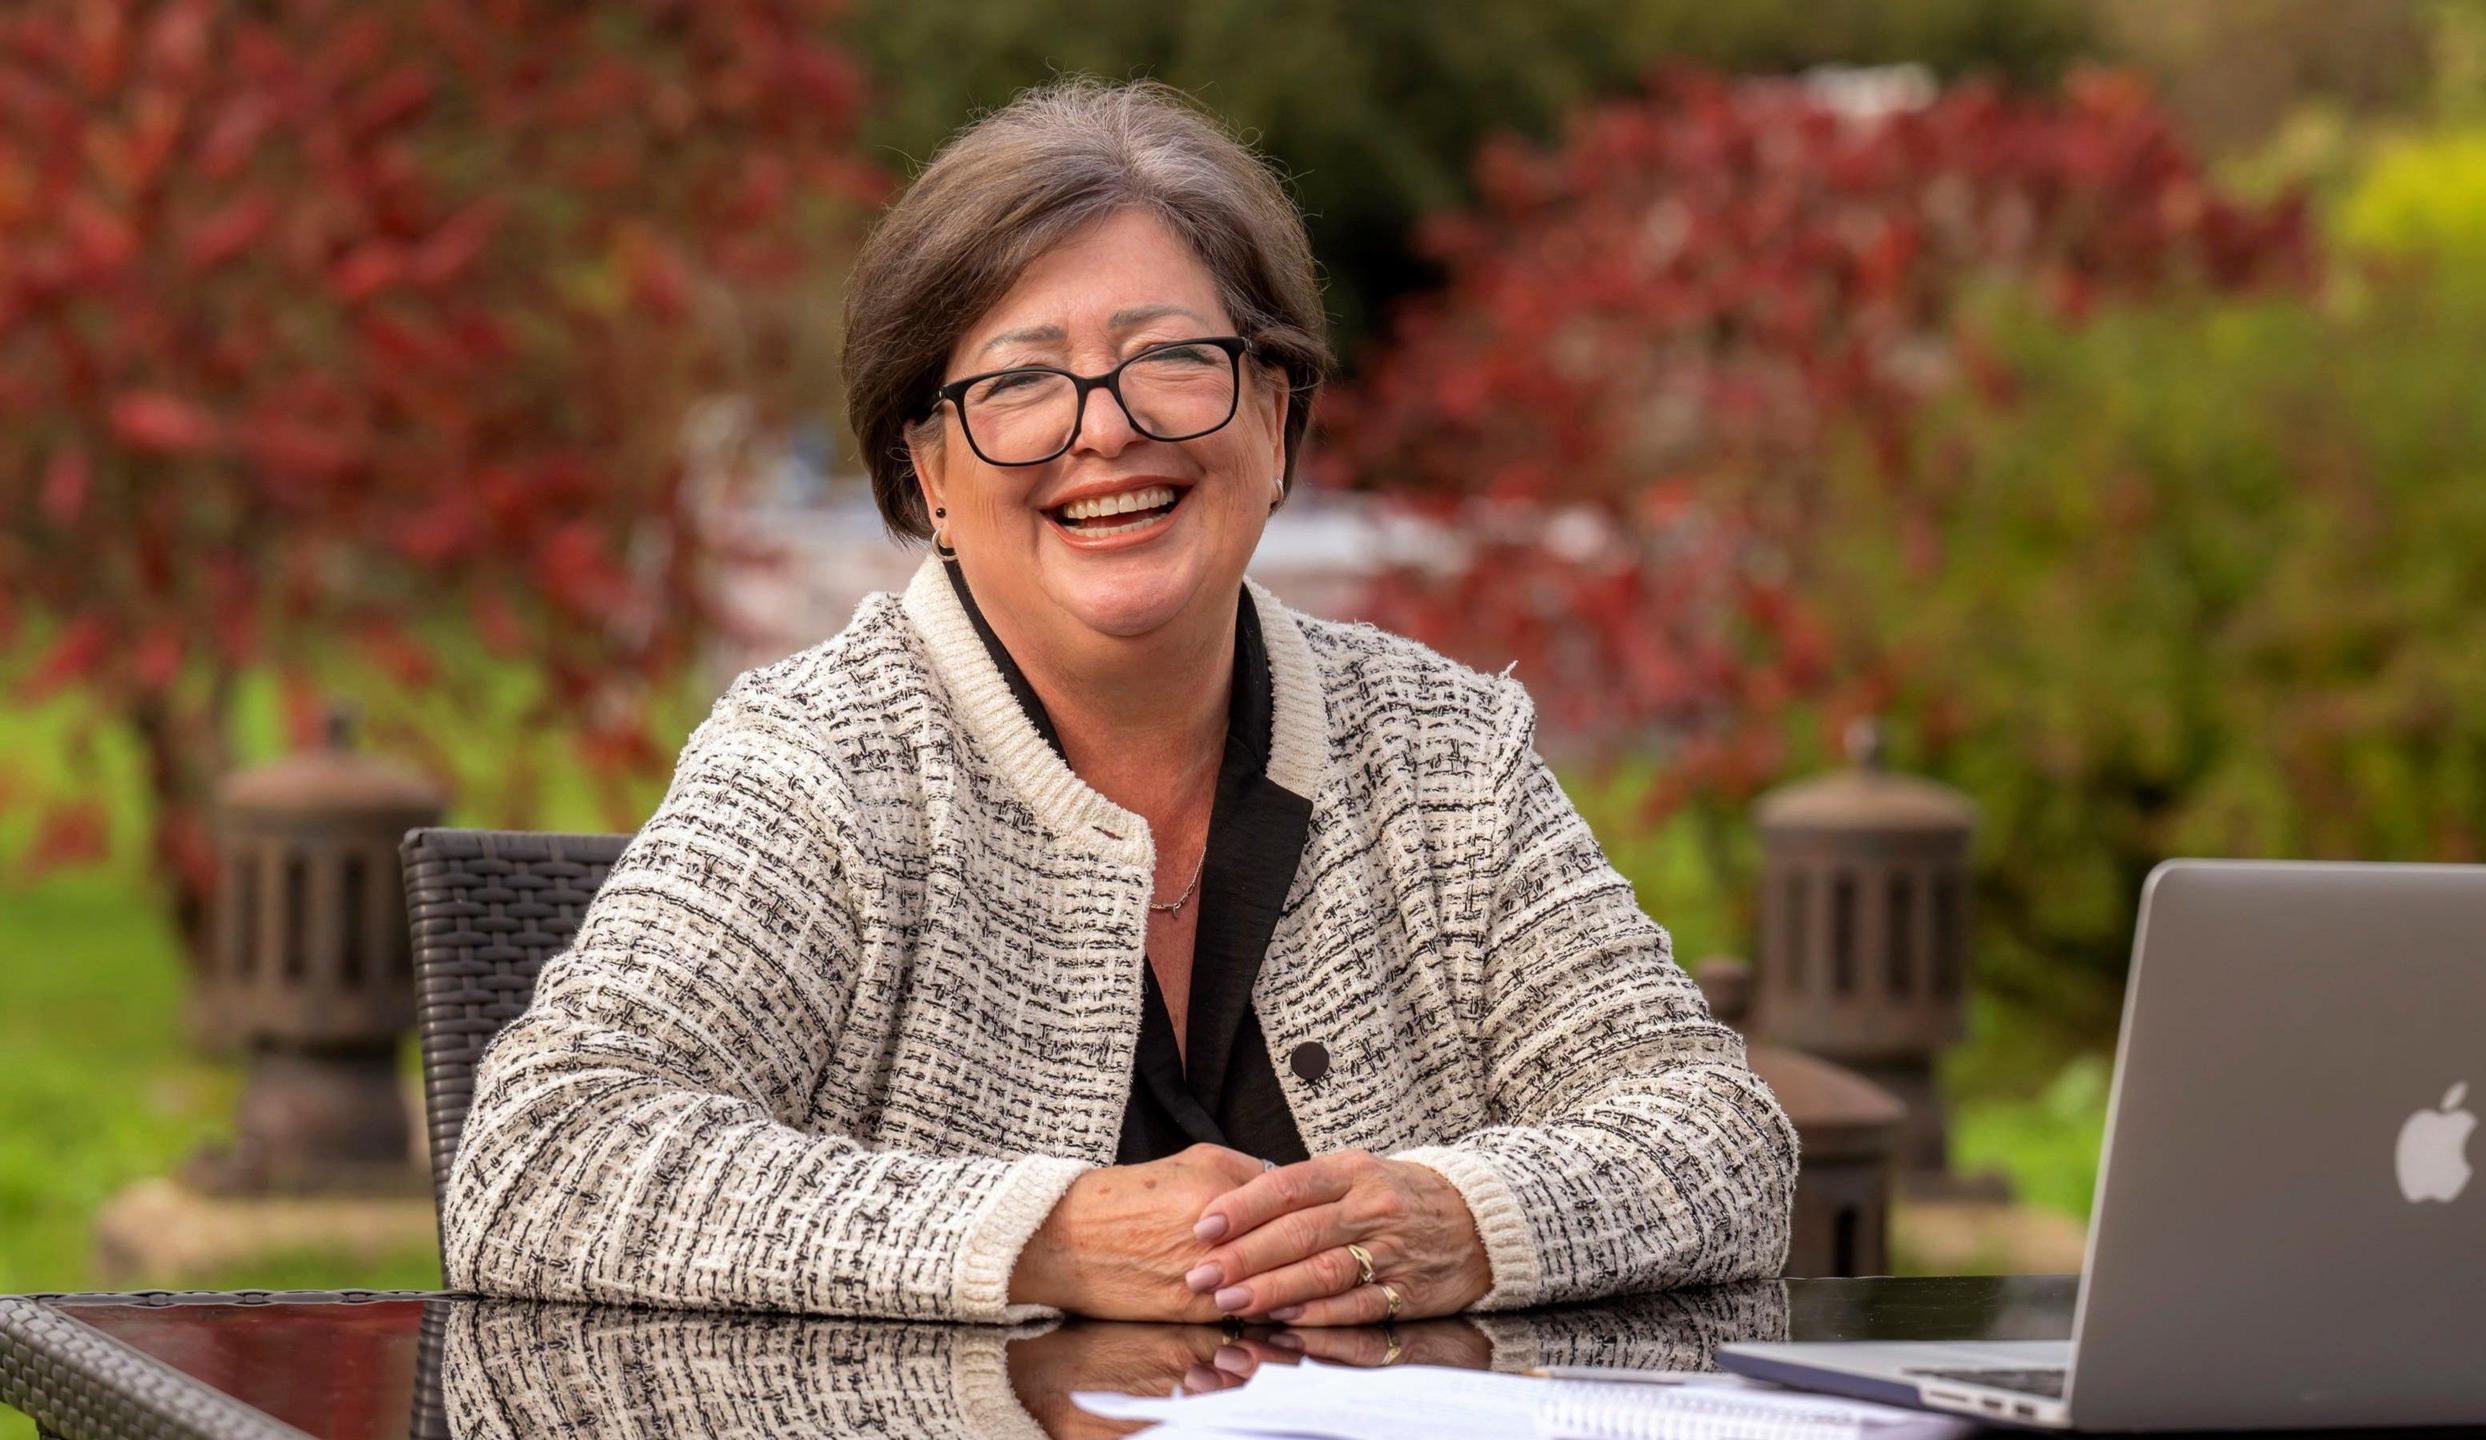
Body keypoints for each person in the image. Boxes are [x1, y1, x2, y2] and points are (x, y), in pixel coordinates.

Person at [440, 77, 1796, 1326]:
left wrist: (1471, 1221)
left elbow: (1716, 1134)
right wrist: (1046, 1236)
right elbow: (541, 1159)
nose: (1105, 429)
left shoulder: (1446, 755)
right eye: (1020, 382)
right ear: (930, 478)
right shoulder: (823, 763)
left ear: (1273, 415)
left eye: (1169, 359)